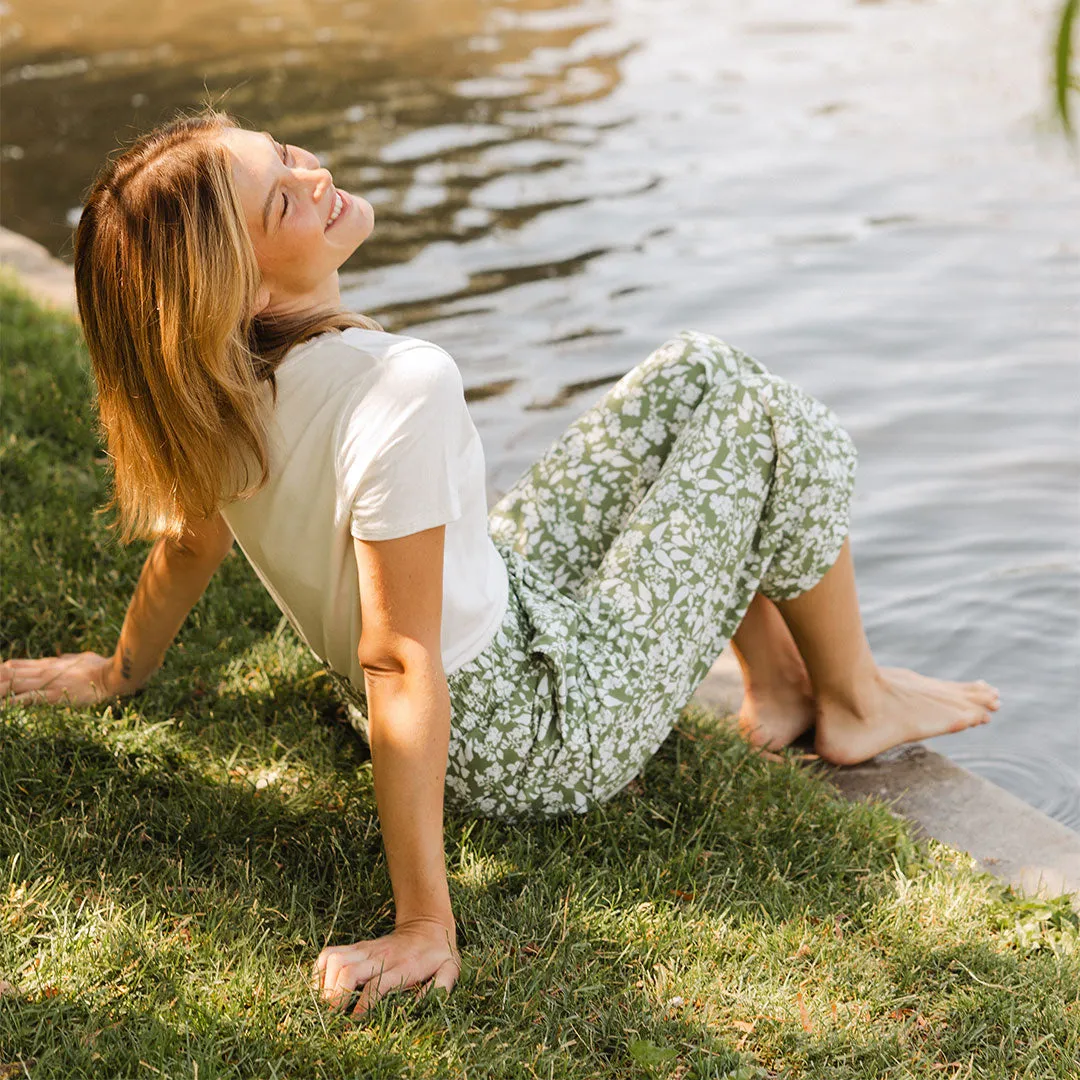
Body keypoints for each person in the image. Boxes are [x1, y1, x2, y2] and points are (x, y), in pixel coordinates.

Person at [0, 110, 1001, 1016]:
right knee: (767, 420)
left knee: (700, 372)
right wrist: (425, 923)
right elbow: (401, 661)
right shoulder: (399, 385)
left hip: (493, 626)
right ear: (248, 283)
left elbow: (192, 541)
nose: (313, 174)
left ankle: (784, 690)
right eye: (281, 197)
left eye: (286, 153)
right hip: (540, 731)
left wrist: (117, 670)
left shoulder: (222, 385)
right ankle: (856, 698)